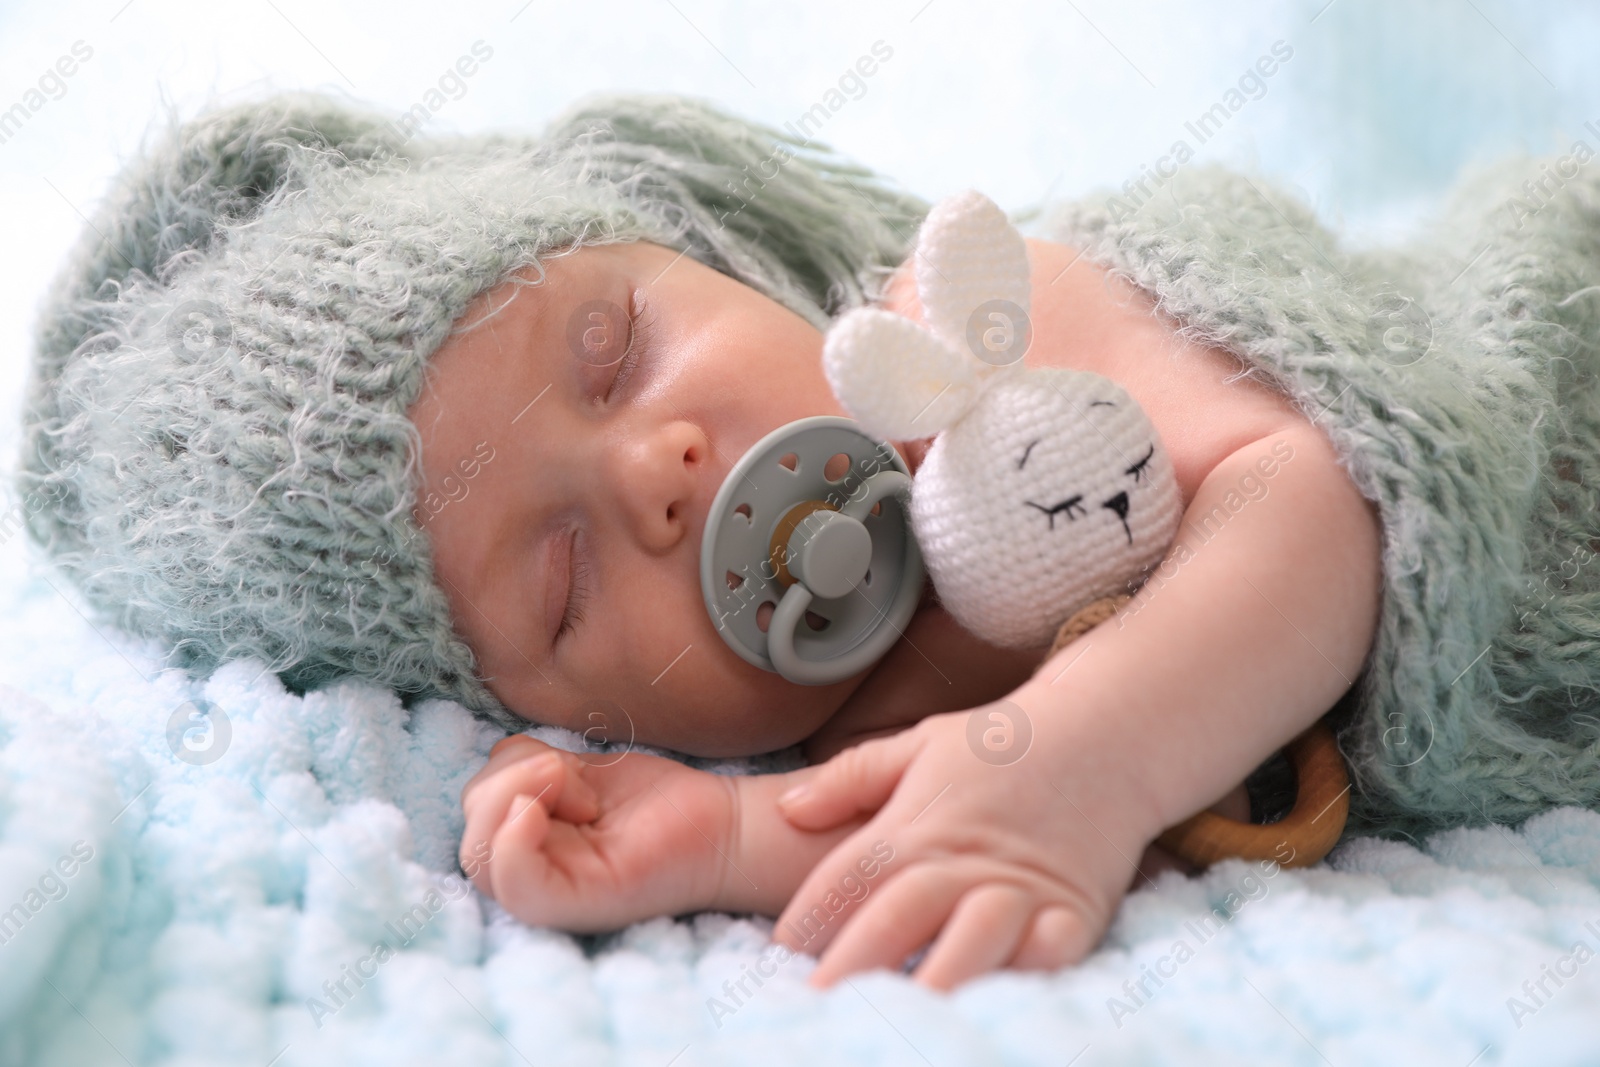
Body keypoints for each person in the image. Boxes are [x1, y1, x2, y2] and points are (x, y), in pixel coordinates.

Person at [23, 88, 1600, 993]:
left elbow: (1320, 494)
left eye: (615, 352)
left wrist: (1088, 765)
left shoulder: (974, 338)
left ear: (696, 246)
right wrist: (717, 844)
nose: (659, 474)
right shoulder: (808, 715)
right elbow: (960, 806)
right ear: (552, 712)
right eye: (565, 582)